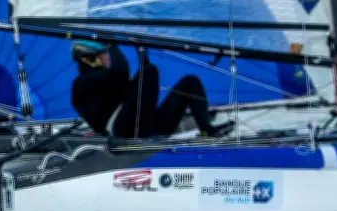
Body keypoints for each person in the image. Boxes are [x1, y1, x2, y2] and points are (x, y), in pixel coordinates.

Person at [69, 40, 234, 139]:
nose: (108, 57)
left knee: (190, 82)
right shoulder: (82, 84)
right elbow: (122, 73)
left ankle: (207, 130)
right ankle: (149, 138)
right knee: (149, 72)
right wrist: (112, 43)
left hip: (150, 125)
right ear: (90, 59)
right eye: (103, 54)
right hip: (125, 132)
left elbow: (137, 85)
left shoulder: (105, 78)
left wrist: (142, 51)